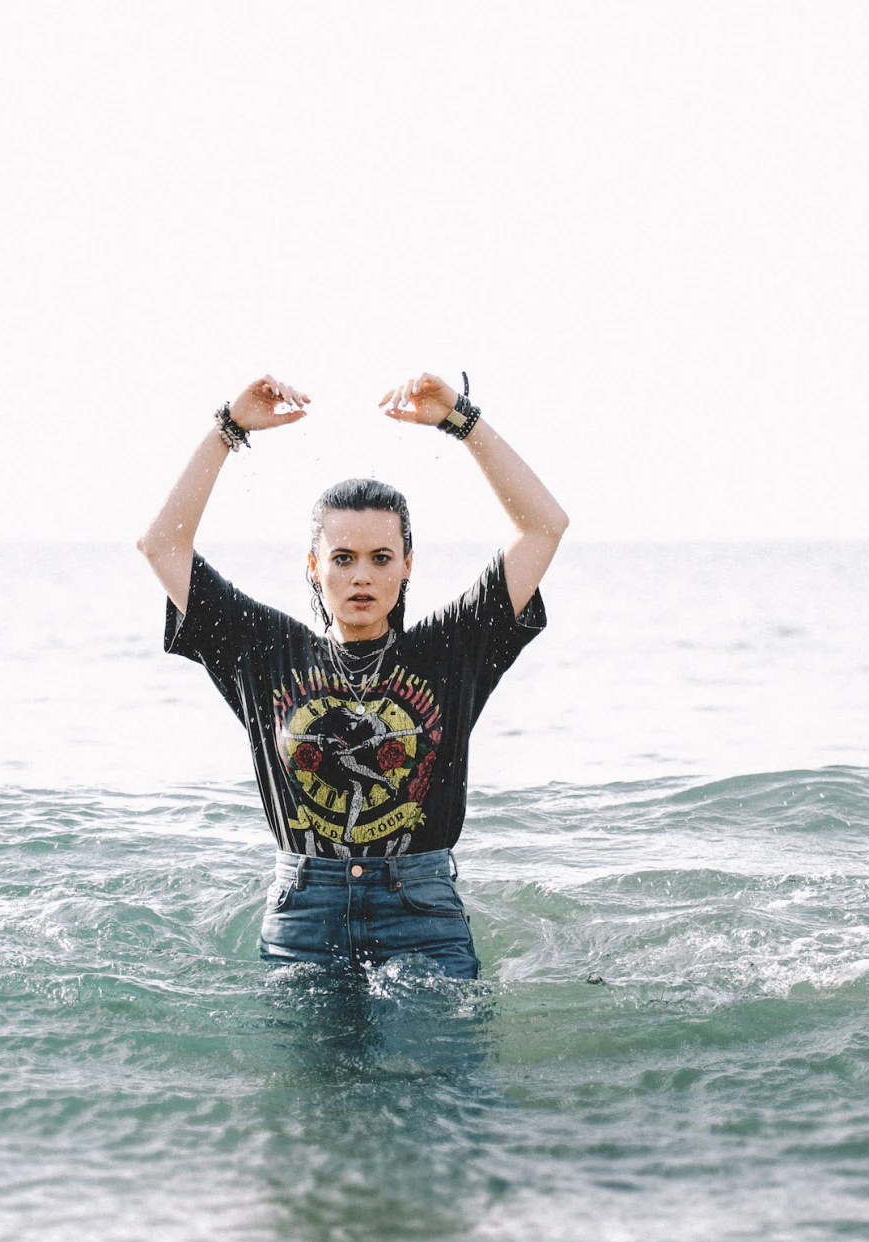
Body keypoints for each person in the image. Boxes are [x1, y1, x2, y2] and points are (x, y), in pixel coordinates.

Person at [138, 372, 569, 980]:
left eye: (380, 558)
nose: (361, 575)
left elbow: (544, 526)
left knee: (442, 1047)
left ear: (407, 564)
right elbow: (161, 545)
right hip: (302, 914)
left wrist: (461, 420)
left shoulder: (451, 647)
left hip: (421, 912)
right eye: (342, 558)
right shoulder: (265, 650)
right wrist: (227, 428)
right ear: (315, 566)